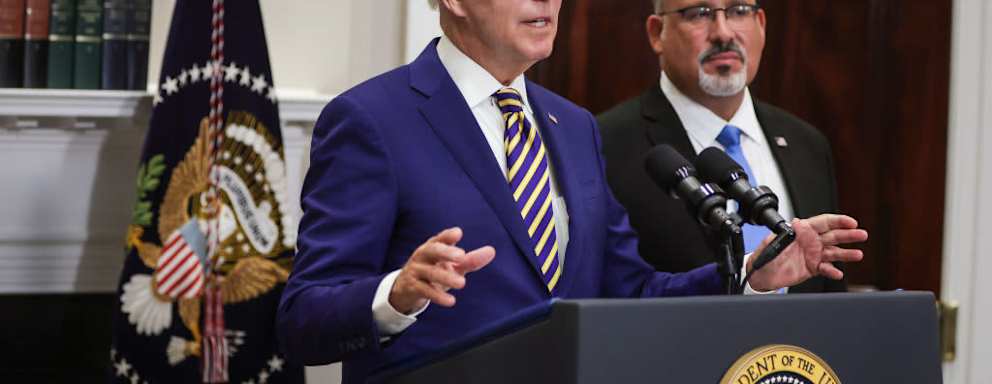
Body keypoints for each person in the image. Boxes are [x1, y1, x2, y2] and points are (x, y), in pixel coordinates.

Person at [277, 0, 867, 382]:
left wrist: (745, 272)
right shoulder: (372, 119)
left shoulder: (573, 125)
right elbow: (303, 317)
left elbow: (628, 289)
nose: (548, 1)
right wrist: (396, 295)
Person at [598, 0, 846, 293]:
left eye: (739, 11)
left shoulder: (807, 144)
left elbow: (827, 289)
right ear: (657, 33)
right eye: (699, 14)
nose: (723, 33)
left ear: (761, 25)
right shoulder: (605, 145)